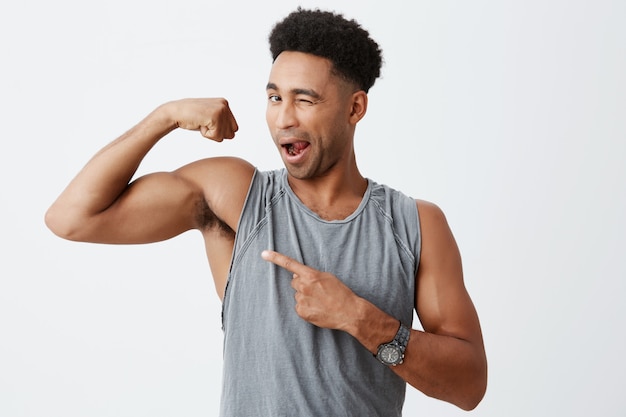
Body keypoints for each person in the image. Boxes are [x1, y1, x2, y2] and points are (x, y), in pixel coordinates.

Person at [45, 7, 487, 416]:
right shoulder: (235, 196)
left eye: (305, 100)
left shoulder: (415, 224)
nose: (282, 119)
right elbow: (71, 218)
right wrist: (165, 117)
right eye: (275, 97)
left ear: (355, 108)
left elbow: (469, 386)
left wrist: (359, 318)